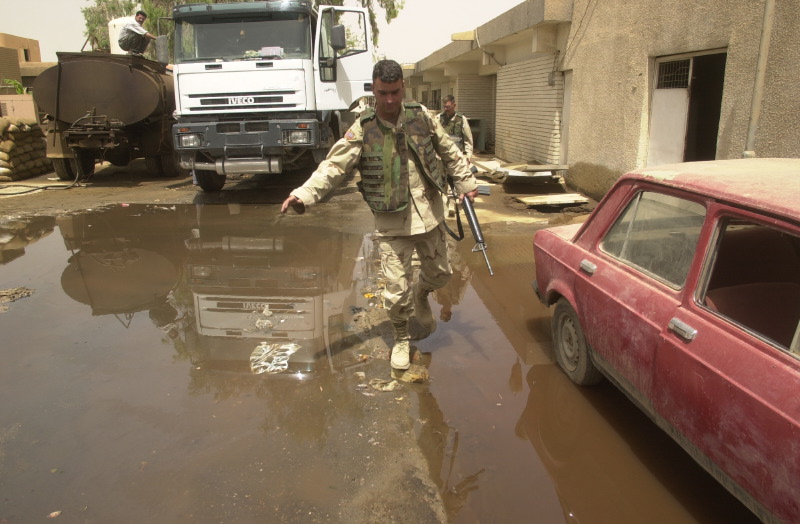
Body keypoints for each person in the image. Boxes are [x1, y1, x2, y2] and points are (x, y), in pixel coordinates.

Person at [281, 59, 479, 371]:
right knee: (396, 292)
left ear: (404, 88)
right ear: (373, 90)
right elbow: (333, 167)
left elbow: (449, 152)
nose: (389, 100)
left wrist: (467, 182)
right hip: (391, 222)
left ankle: (422, 293)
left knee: (441, 274)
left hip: (429, 215)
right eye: (383, 93)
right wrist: (303, 193)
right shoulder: (363, 128)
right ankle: (401, 338)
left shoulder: (421, 117)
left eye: (395, 92)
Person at [438, 95, 474, 162]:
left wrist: (468, 155)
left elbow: (468, 139)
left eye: (448, 107)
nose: (446, 109)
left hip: (457, 156)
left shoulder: (462, 119)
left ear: (454, 105)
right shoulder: (438, 118)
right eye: (444, 107)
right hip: (442, 155)